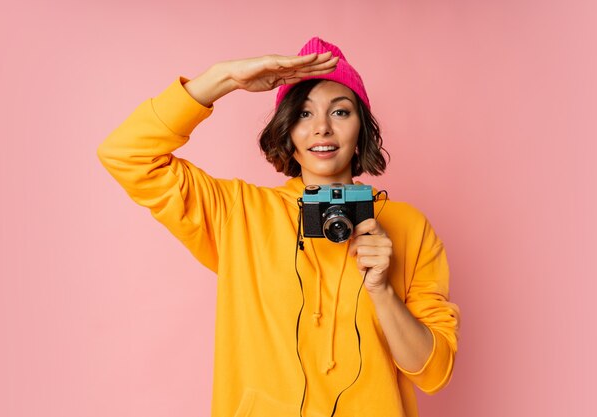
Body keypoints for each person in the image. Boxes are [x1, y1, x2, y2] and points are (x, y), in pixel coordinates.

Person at [98, 37, 460, 417]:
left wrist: (382, 291)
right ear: (287, 133)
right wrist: (224, 78)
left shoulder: (408, 226)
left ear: (361, 131)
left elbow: (434, 372)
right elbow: (125, 154)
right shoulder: (239, 213)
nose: (322, 127)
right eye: (304, 114)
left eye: (340, 112)